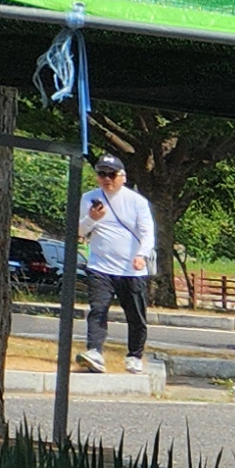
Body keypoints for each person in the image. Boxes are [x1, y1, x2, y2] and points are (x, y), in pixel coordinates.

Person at [77, 154, 155, 366]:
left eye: (112, 174)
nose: (107, 179)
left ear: (123, 177)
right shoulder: (89, 199)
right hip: (100, 266)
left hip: (131, 269)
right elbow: (79, 231)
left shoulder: (137, 202)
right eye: (102, 174)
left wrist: (142, 255)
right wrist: (92, 218)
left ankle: (134, 355)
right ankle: (94, 351)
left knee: (136, 316)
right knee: (98, 310)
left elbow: (148, 232)